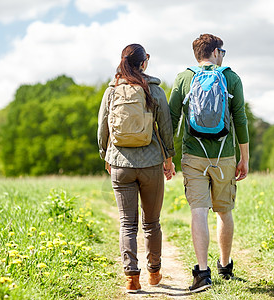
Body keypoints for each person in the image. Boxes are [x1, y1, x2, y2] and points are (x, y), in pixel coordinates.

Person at [168, 34, 249, 292]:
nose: (223, 55)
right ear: (214, 52)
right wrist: (244, 157)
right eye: (222, 51)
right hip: (224, 155)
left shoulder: (184, 78)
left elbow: (172, 119)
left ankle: (202, 274)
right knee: (224, 211)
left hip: (193, 154)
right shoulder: (231, 78)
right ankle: (225, 267)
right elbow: (241, 119)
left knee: (198, 211)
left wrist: (167, 157)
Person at [97, 44, 176, 293]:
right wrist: (169, 159)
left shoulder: (112, 91)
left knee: (127, 224)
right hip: (151, 162)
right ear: (144, 62)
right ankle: (154, 272)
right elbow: (166, 127)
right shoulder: (154, 90)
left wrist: (105, 156)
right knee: (152, 222)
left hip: (120, 163)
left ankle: (132, 277)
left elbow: (102, 128)